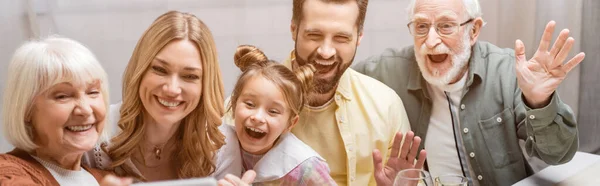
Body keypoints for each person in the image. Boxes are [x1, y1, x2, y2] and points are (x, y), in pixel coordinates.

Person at [352, 0, 585, 185]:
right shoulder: (387, 70)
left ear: (474, 31)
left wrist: (539, 101)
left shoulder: (507, 71)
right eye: (421, 26)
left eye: (446, 26)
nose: (431, 41)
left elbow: (559, 155)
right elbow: (337, 78)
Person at [84, 11, 247, 183]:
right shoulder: (95, 131)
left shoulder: (222, 145)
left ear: (205, 85)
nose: (172, 89)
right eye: (160, 70)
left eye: (190, 76)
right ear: (140, 71)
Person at [287, 0, 426, 185]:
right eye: (314, 35)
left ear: (359, 36)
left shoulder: (386, 105)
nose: (326, 52)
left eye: (341, 38)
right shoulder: (248, 105)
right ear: (294, 30)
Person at [0, 36, 131, 186]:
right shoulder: (8, 174)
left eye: (93, 92)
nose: (85, 110)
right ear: (26, 110)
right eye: (63, 96)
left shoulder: (106, 178)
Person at [218, 45, 336, 185]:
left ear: (290, 124)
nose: (257, 117)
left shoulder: (305, 167)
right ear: (234, 104)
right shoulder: (214, 145)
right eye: (249, 104)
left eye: (273, 111)